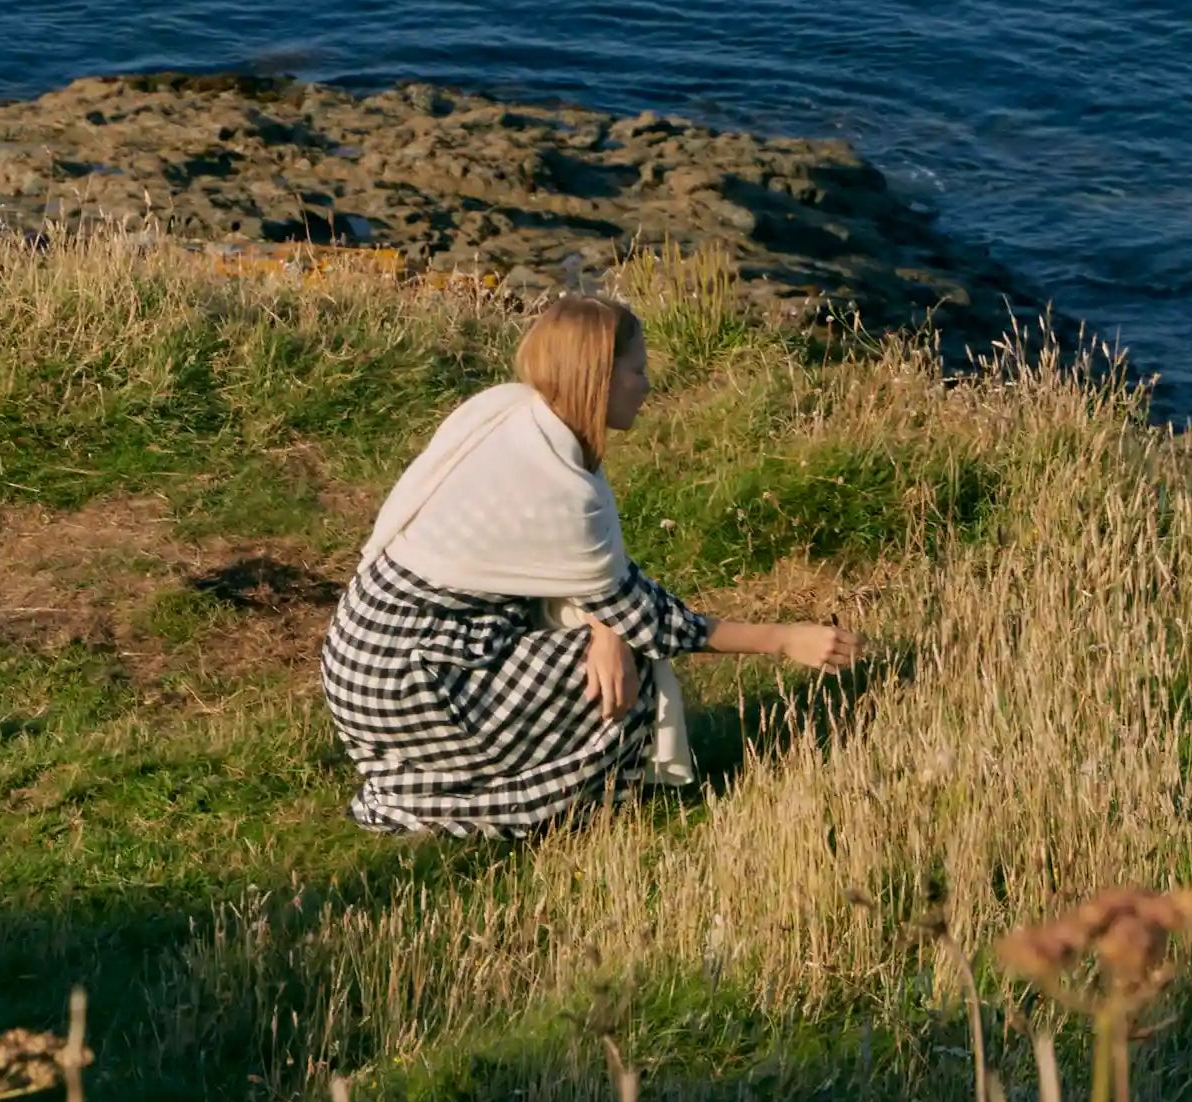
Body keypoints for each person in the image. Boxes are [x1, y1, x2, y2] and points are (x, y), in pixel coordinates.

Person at [321, 296, 851, 838]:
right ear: (599, 376)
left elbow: (582, 577)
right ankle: (490, 809)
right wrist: (784, 639)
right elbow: (654, 622)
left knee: (609, 641)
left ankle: (426, 784)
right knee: (632, 671)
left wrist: (606, 628)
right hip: (408, 677)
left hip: (364, 652)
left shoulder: (508, 410)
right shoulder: (560, 490)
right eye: (637, 370)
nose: (647, 386)